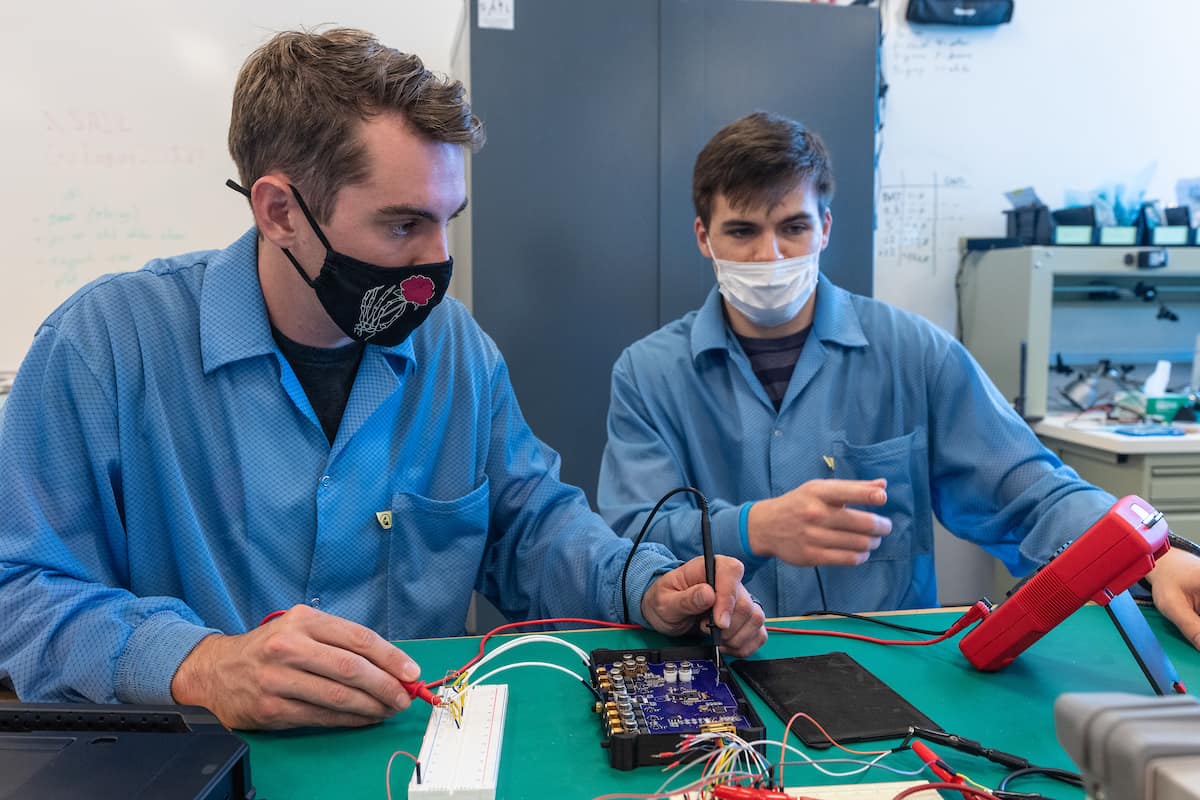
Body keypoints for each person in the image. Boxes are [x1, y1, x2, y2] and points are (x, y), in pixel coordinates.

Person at [0, 29, 766, 730]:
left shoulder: (455, 351)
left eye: (448, 219)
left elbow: (534, 526)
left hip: (420, 756)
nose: (435, 264)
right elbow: (22, 592)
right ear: (278, 211)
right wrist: (199, 664)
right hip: (205, 760)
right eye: (403, 225)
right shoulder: (104, 348)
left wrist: (648, 586)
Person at [598, 111, 1200, 648]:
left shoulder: (914, 353)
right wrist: (753, 528)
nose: (770, 256)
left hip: (888, 671)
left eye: (793, 227)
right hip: (713, 667)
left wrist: (1151, 556)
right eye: (742, 231)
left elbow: (1030, 492)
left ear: (825, 229)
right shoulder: (649, 374)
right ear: (704, 236)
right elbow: (631, 542)